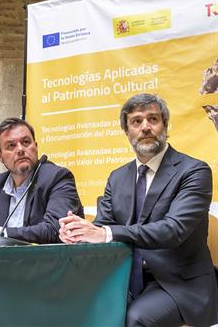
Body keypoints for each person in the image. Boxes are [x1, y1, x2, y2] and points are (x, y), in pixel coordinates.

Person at [59, 93, 218, 327]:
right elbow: (104, 227)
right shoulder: (117, 177)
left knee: (135, 319)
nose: (145, 127)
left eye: (153, 119)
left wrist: (104, 233)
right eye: (136, 121)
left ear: (164, 125)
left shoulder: (194, 171)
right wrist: (80, 234)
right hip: (125, 278)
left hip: (179, 284)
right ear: (127, 131)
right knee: (75, 306)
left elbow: (173, 230)